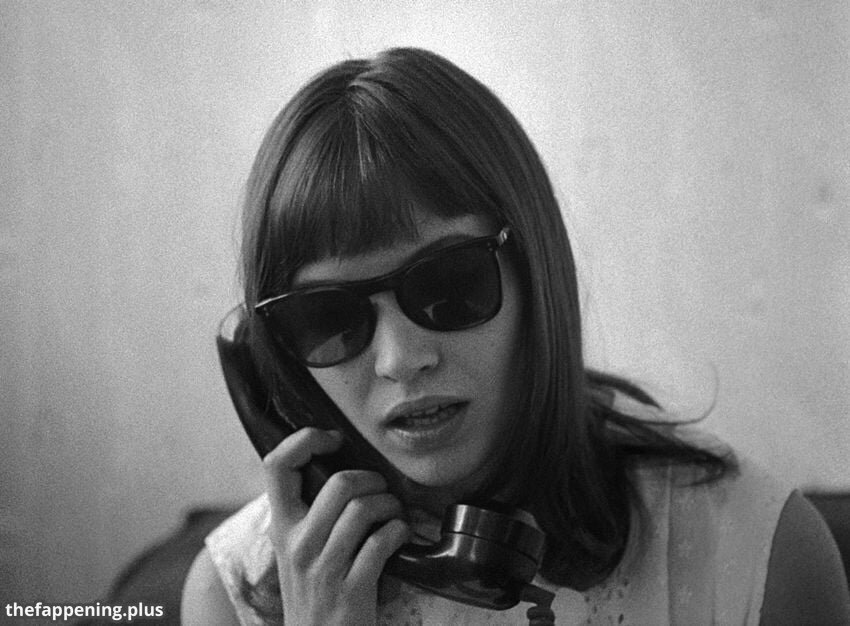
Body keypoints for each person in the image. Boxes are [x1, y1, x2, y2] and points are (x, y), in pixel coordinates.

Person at [182, 47, 849, 625]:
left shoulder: (763, 555)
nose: (402, 359)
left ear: (534, 269)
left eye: (448, 284)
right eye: (328, 318)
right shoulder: (228, 597)